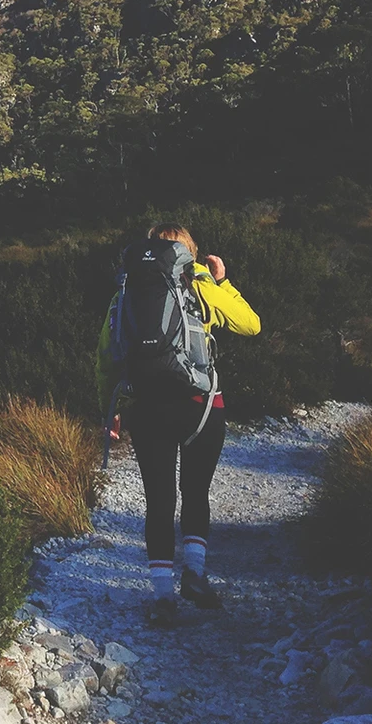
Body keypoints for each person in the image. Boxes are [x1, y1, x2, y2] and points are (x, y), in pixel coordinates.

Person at [96, 223, 260, 623]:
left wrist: (109, 411)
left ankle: (163, 598)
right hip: (202, 406)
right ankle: (195, 575)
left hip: (148, 408)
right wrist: (220, 282)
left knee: (159, 500)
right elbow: (250, 324)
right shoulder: (202, 289)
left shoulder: (125, 293)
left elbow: (107, 357)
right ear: (189, 254)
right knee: (196, 491)